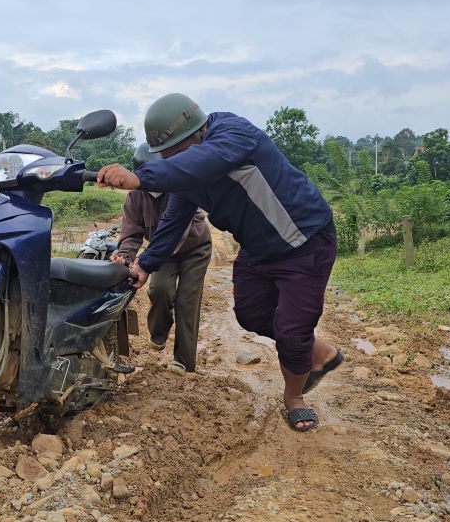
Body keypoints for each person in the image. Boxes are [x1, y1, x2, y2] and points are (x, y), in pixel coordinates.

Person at [97, 93, 343, 432]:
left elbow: (203, 161)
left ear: (196, 134)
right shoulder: (190, 173)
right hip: (257, 250)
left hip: (304, 243)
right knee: (250, 314)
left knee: (291, 329)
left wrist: (141, 178)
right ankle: (317, 351)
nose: (168, 159)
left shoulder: (233, 134)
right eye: (162, 155)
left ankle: (294, 398)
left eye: (171, 152)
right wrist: (145, 264)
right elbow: (173, 221)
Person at [111, 143, 212, 374]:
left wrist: (147, 259)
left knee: (187, 301)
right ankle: (159, 334)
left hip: (194, 249)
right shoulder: (135, 198)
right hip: (161, 252)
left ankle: (184, 362)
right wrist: (124, 257)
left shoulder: (181, 190)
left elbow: (176, 232)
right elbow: (131, 234)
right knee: (160, 289)